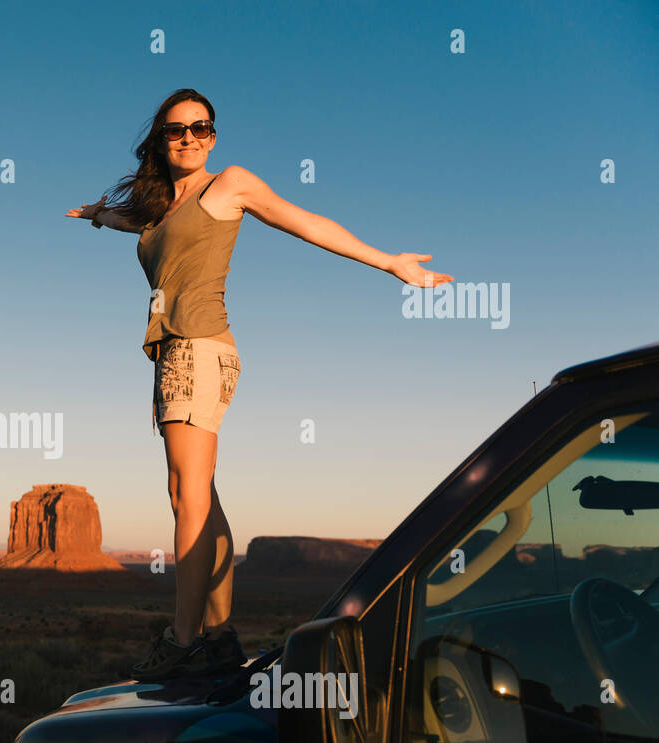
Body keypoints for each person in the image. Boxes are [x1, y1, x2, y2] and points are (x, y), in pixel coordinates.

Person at [67, 88, 452, 680]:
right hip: (175, 352)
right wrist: (98, 216)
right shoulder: (160, 207)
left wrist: (389, 262)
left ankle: (185, 641)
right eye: (176, 130)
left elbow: (305, 223)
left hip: (199, 349)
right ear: (161, 141)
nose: (190, 137)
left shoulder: (231, 185)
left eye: (201, 127)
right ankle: (218, 638)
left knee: (184, 494)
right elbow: (134, 224)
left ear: (213, 136)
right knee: (202, 498)